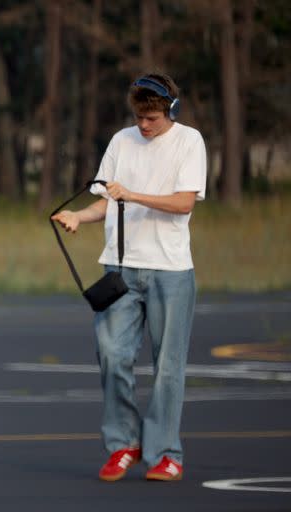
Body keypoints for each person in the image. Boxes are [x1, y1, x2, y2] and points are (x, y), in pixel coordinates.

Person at [51, 73, 207, 482]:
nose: (144, 125)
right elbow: (106, 202)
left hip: (171, 271)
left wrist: (133, 195)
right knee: (111, 353)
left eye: (152, 117)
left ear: (170, 110)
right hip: (120, 269)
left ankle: (165, 453)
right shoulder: (121, 141)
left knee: (167, 366)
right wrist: (78, 217)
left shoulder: (189, 142)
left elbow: (183, 203)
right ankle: (124, 444)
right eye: (139, 116)